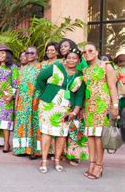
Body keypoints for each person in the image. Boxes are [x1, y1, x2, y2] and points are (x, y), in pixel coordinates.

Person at [36, 48, 85, 174]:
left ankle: (57, 160)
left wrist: (74, 112)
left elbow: (79, 95)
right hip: (48, 105)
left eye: (74, 58)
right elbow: (40, 79)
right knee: (46, 132)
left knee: (61, 134)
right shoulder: (55, 67)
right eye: (69, 57)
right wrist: (46, 92)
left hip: (66, 108)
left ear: (79, 60)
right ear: (65, 58)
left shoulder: (80, 76)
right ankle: (44, 161)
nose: (71, 60)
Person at [82, 43, 119, 179]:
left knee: (99, 136)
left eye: (90, 50)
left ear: (97, 52)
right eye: (84, 52)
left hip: (102, 105)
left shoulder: (106, 65)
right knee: (90, 136)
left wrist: (115, 106)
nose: (87, 53)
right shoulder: (85, 70)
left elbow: (112, 86)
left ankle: (99, 165)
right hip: (89, 105)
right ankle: (91, 163)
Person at [12, 46, 42, 157]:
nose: (29, 54)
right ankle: (21, 149)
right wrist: (16, 102)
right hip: (22, 101)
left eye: (32, 53)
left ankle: (34, 150)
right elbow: (19, 87)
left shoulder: (41, 67)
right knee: (22, 124)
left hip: (35, 100)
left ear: (37, 55)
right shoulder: (22, 69)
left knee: (33, 124)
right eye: (27, 52)